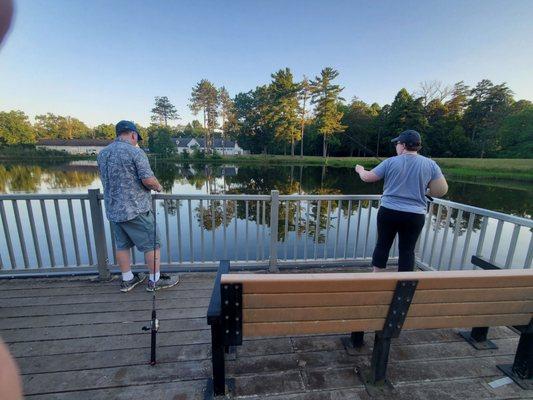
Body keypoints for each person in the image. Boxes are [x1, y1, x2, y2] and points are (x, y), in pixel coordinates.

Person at [97, 120, 179, 292]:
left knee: (122, 246)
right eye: (137, 138)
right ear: (133, 134)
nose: (137, 141)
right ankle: (154, 281)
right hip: (136, 209)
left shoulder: (103, 154)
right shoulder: (135, 152)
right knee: (152, 245)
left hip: (113, 210)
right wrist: (158, 186)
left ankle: (127, 279)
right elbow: (147, 180)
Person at [355, 129, 448, 272]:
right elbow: (441, 190)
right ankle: (404, 286)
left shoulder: (390, 162)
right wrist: (425, 191)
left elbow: (368, 177)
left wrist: (360, 170)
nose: (396, 146)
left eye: (397, 143)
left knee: (383, 244)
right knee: (407, 250)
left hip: (389, 212)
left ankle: (376, 277)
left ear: (403, 145)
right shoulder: (430, 164)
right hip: (414, 215)